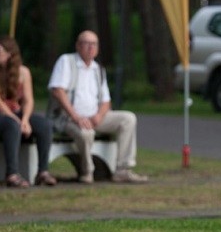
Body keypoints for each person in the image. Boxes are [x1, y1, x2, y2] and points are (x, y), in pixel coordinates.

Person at [48, 30, 148, 184]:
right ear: (78, 46)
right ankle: (87, 171)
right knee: (86, 133)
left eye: (94, 44)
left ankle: (123, 169)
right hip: (68, 118)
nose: (90, 47)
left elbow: (106, 101)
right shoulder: (66, 61)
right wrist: (76, 117)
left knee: (128, 118)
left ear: (98, 48)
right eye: (86, 43)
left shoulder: (98, 69)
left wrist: (99, 116)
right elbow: (58, 91)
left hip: (94, 117)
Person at [0, 36, 57, 187]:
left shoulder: (24, 72)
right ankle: (12, 174)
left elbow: (28, 100)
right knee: (11, 125)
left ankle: (43, 172)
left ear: (9, 54)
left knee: (44, 124)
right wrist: (18, 121)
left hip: (16, 115)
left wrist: (25, 120)